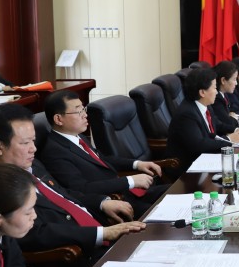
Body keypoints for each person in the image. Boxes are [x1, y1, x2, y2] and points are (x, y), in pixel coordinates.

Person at [0, 104, 144, 265]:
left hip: (102, 228)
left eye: (33, 141)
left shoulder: (31, 164)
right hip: (77, 255)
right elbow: (34, 233)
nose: (33, 149)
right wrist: (102, 233)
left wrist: (102, 203)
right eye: (25, 143)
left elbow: (64, 195)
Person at [38, 90, 168, 211]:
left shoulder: (77, 135)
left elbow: (101, 160)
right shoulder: (54, 151)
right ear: (58, 119)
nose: (85, 115)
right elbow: (81, 189)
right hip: (115, 203)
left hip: (128, 192)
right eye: (78, 111)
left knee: (176, 193)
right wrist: (130, 181)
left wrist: (137, 164)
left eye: (84, 109)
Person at [167, 68, 239, 170]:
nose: (217, 92)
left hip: (206, 159)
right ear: (202, 92)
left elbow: (217, 124)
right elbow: (199, 144)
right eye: (214, 88)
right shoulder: (187, 114)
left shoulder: (205, 104)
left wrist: (237, 130)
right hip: (187, 169)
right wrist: (229, 139)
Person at [210, 61, 239, 138]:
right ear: (223, 80)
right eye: (234, 79)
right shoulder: (216, 99)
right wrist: (235, 118)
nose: (236, 83)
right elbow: (228, 123)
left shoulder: (224, 94)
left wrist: (235, 117)